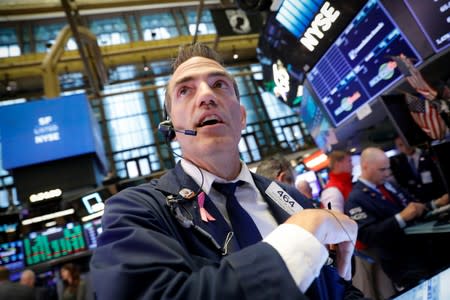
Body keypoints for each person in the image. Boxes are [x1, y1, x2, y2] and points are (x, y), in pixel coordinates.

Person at [90, 43, 362, 300]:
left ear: (242, 116)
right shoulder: (136, 211)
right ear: (171, 128)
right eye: (185, 90)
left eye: (219, 85)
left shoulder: (290, 198)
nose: (207, 95)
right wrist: (299, 239)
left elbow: (340, 290)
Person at [345, 147, 449, 289]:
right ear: (365, 167)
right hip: (402, 263)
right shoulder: (355, 199)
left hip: (424, 252)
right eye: (382, 170)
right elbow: (367, 235)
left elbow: (411, 206)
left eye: (388, 169)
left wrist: (434, 204)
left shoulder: (388, 184)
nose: (387, 173)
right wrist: (400, 218)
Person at [320, 151, 395, 299]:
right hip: (357, 252)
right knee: (368, 291)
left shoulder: (349, 184)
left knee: (384, 290)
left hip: (370, 244)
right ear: (338, 164)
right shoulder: (333, 190)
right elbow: (336, 226)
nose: (352, 164)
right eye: (348, 161)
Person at [390, 136, 446, 202]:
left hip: (440, 196)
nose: (405, 146)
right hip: (421, 202)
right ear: (398, 148)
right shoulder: (398, 164)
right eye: (400, 145)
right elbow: (404, 185)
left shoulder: (428, 154)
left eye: (406, 142)